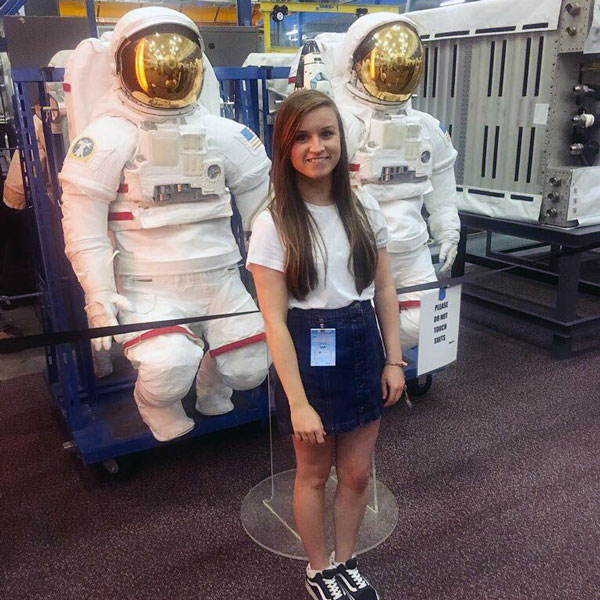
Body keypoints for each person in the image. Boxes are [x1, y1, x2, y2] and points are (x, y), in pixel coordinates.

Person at [59, 7, 270, 442]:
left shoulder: (224, 133)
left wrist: (275, 268)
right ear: (122, 68)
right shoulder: (107, 138)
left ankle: (213, 384)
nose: (167, 76)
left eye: (179, 65)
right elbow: (83, 226)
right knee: (168, 365)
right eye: (154, 65)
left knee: (251, 365)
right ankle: (160, 401)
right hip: (146, 285)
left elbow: (264, 207)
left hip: (220, 280)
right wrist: (98, 296)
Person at [247, 89, 405, 600]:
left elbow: (384, 288)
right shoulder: (273, 223)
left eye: (327, 133)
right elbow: (273, 321)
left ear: (342, 138)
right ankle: (319, 571)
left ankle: (346, 560)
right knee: (313, 474)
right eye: (302, 137)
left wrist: (396, 361)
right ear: (285, 147)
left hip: (363, 340)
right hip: (308, 348)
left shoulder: (365, 209)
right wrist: (298, 403)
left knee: (357, 474)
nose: (317, 146)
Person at [291, 14, 461, 350]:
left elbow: (442, 189)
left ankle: (384, 361)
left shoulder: (428, 127)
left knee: (422, 324)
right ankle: (370, 364)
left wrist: (448, 227)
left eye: (404, 66)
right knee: (351, 329)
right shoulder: (339, 124)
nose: (395, 74)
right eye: (386, 66)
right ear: (355, 64)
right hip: (354, 250)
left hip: (412, 248)